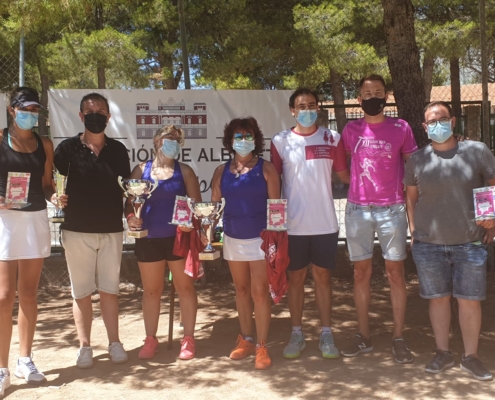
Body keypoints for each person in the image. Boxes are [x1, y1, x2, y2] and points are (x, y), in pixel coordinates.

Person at [405, 101, 495, 381]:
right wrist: (412, 230)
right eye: (431, 122)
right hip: (429, 244)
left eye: (441, 119)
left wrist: (491, 217)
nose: (437, 125)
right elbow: (410, 198)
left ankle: (470, 357)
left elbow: (490, 184)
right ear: (424, 127)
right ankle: (442, 352)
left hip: (470, 241)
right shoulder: (417, 159)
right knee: (438, 301)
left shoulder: (477, 150)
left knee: (469, 301)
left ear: (452, 120)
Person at [340, 74, 417, 364]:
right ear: (359, 99)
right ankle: (364, 336)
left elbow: (413, 166)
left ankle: (398, 337)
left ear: (387, 96)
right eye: (367, 93)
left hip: (393, 210)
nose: (373, 97)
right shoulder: (350, 129)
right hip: (358, 210)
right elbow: (343, 165)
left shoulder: (401, 128)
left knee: (395, 274)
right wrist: (356, 186)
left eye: (379, 92)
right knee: (361, 274)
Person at [53, 92, 131, 369]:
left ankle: (114, 342)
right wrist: (54, 197)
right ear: (81, 116)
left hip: (111, 230)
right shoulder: (66, 149)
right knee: (81, 292)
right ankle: (84, 346)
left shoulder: (119, 151)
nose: (95, 115)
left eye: (100, 111)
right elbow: (53, 184)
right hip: (76, 230)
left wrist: (132, 215)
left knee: (110, 290)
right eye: (90, 111)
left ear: (109, 117)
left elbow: (128, 191)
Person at [270, 88, 349, 359]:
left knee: (323, 279)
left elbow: (345, 176)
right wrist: (274, 222)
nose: (306, 110)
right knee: (295, 280)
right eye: (301, 106)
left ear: (319, 108)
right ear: (292, 110)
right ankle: (297, 333)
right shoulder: (280, 141)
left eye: (311, 105)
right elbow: (273, 183)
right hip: (293, 225)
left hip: (325, 222)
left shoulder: (332, 137)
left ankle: (327, 334)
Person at [0, 87, 60, 395]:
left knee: (28, 294)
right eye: (25, 110)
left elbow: (47, 184)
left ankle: (25, 360)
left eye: (35, 111)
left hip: (35, 219)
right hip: (5, 221)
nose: (30, 115)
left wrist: (56, 196)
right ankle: (2, 368)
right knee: (3, 296)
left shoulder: (45, 144)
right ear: (12, 110)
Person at [126, 125, 202, 360]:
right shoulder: (140, 170)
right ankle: (150, 339)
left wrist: (192, 220)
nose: (173, 142)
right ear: (157, 141)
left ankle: (188, 338)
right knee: (151, 291)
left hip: (178, 239)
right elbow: (129, 203)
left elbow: (197, 207)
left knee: (185, 288)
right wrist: (131, 218)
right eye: (169, 138)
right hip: (148, 239)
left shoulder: (186, 172)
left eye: (177, 139)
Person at [211, 117, 280, 370]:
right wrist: (202, 229)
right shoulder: (220, 171)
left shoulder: (267, 169)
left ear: (256, 139)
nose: (242, 140)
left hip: (260, 239)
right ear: (230, 141)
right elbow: (214, 208)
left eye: (247, 135)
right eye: (237, 136)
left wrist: (276, 240)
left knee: (259, 292)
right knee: (241, 291)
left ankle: (262, 345)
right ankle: (247, 339)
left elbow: (276, 208)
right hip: (232, 238)